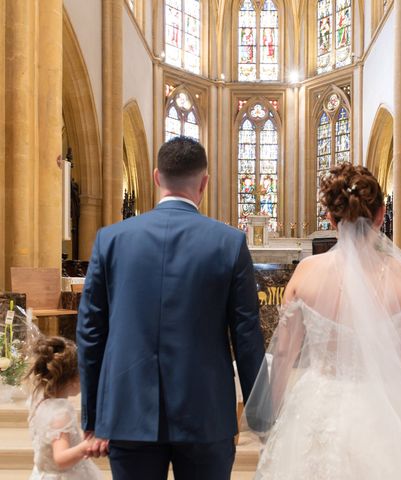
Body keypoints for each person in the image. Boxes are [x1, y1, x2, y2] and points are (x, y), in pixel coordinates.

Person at [244, 163, 401, 479]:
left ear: (330, 217)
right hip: (384, 404)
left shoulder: (306, 273)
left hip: (317, 403)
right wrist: (384, 352)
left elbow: (283, 354)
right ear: (381, 214)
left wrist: (271, 418)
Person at [76, 136, 265, 480]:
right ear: (204, 183)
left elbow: (90, 332)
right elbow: (247, 336)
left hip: (128, 409)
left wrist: (93, 415)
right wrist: (261, 416)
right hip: (206, 413)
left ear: (155, 177)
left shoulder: (111, 239)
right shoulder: (229, 243)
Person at [26, 336, 102, 480]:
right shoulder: (60, 413)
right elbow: (61, 459)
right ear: (73, 379)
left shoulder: (39, 402)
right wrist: (87, 445)